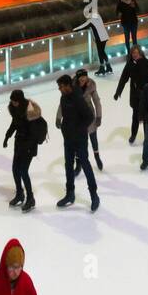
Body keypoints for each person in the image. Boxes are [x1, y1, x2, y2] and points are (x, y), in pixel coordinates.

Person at [55, 74, 99, 211]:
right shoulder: (63, 98)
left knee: (85, 165)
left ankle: (94, 195)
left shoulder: (78, 99)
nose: (60, 89)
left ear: (68, 85)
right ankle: (70, 194)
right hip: (68, 139)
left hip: (79, 139)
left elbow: (89, 116)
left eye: (61, 87)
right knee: (68, 166)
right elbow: (66, 116)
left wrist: (79, 130)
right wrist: (63, 127)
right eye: (59, 87)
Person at [3, 89, 45, 212]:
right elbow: (14, 123)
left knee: (23, 171)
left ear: (20, 100)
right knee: (15, 169)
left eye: (15, 101)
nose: (13, 103)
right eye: (12, 101)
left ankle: (31, 198)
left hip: (29, 145)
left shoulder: (30, 112)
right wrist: (7, 136)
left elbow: (33, 133)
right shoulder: (15, 108)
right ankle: (20, 194)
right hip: (19, 142)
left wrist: (27, 147)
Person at [113, 43, 148, 144]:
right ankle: (133, 135)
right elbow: (123, 78)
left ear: (140, 53)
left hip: (146, 94)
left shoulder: (147, 63)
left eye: (136, 53)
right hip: (135, 95)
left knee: (146, 118)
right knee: (135, 116)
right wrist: (118, 92)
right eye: (133, 53)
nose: (134, 55)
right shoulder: (130, 65)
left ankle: (147, 138)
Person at [73, 68, 103, 171]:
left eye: (84, 77)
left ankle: (97, 157)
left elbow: (97, 101)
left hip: (89, 116)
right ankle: (78, 164)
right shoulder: (72, 86)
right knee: (78, 142)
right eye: (80, 77)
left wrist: (99, 116)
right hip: (77, 117)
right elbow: (64, 102)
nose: (82, 79)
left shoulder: (91, 85)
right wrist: (59, 117)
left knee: (93, 137)